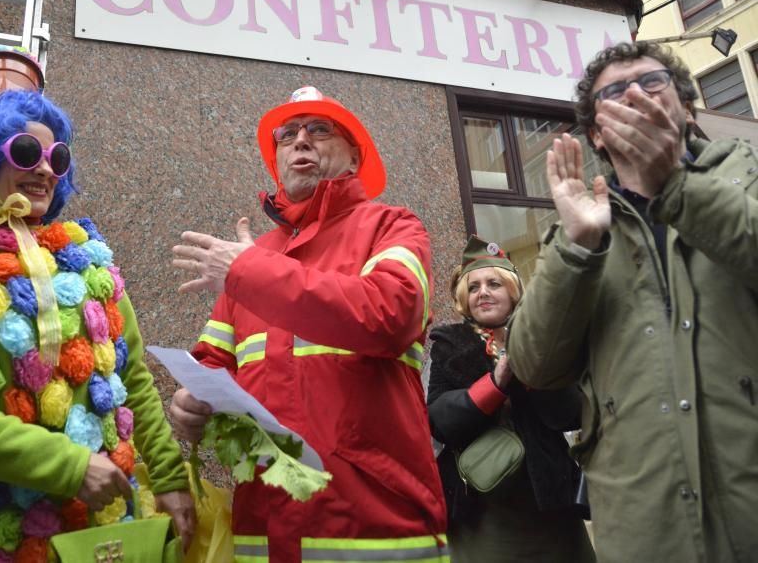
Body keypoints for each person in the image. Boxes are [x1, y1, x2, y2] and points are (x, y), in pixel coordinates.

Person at [0, 90, 195, 562]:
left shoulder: (90, 260)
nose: (47, 169)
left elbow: (132, 380)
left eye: (58, 156)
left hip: (100, 529)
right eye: (27, 152)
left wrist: (171, 478)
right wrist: (70, 466)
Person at [170, 86, 447, 562]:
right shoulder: (251, 259)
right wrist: (189, 406)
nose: (301, 140)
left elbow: (389, 316)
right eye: (287, 135)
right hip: (264, 532)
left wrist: (248, 271)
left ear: (355, 160)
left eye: (319, 130)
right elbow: (213, 362)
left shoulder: (393, 227)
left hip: (375, 531)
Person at [508, 40, 758, 563]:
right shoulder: (578, 225)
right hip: (645, 529)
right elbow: (533, 363)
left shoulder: (748, 175)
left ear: (686, 109)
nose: (635, 97)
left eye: (652, 83)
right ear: (597, 132)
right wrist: (576, 248)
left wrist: (676, 185)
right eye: (615, 92)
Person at [427, 235, 594, 562]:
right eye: (473, 288)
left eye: (494, 283)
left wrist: (533, 369)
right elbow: (440, 422)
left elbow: (572, 413)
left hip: (552, 504)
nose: (483, 293)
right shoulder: (449, 343)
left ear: (513, 292)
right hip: (484, 512)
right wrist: (497, 382)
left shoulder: (542, 339)